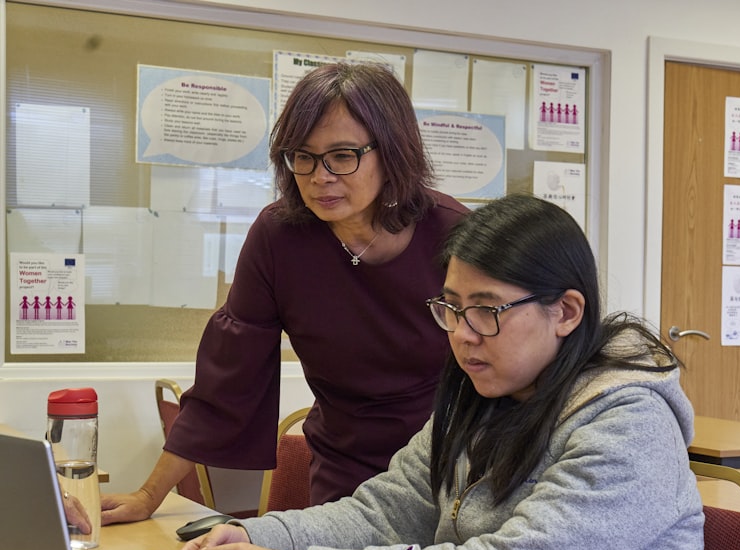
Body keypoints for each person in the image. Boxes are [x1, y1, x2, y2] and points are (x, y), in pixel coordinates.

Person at [172, 193, 705, 550]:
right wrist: (248, 538)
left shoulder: (629, 423)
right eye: (450, 308)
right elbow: (384, 512)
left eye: (487, 311)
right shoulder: (481, 396)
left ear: (565, 311)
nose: (463, 335)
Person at [102, 62, 467, 525]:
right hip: (345, 469)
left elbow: (506, 369)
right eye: (303, 156)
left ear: (392, 151)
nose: (320, 177)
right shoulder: (280, 237)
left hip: (451, 465)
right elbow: (227, 380)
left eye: (342, 155)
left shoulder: (455, 236)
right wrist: (147, 496)